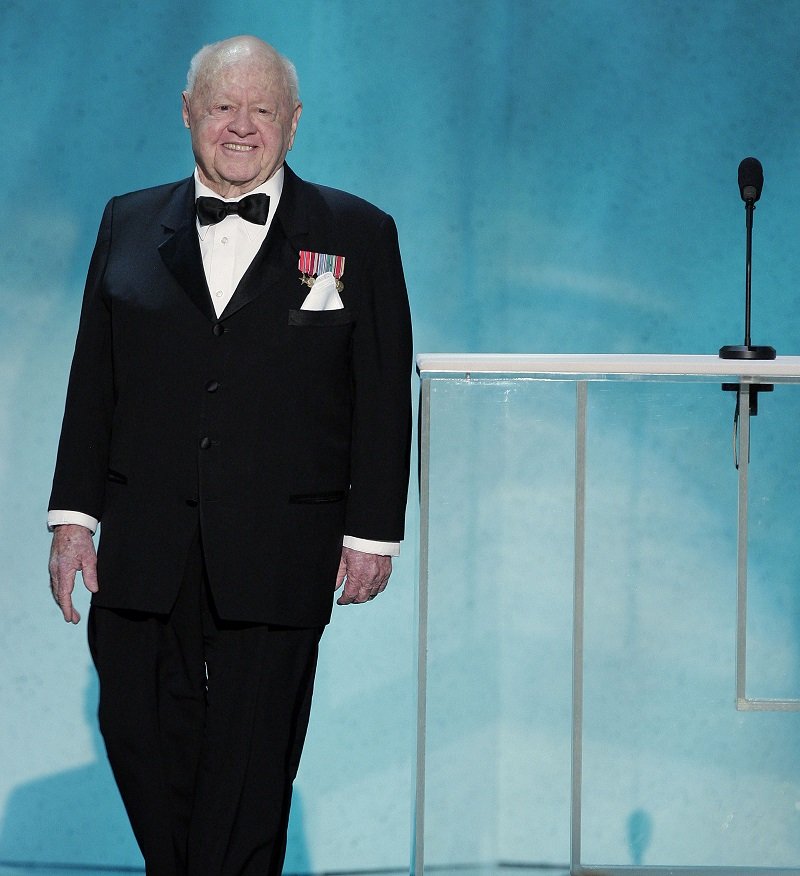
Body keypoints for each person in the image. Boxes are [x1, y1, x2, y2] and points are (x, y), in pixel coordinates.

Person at [47, 35, 412, 876]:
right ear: (188, 114)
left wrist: (374, 531)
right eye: (222, 106)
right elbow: (92, 382)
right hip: (143, 547)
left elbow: (382, 392)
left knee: (249, 773)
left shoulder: (359, 231)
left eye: (262, 110)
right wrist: (72, 519)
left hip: (283, 546)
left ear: (293, 123)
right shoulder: (127, 220)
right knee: (138, 736)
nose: (241, 126)